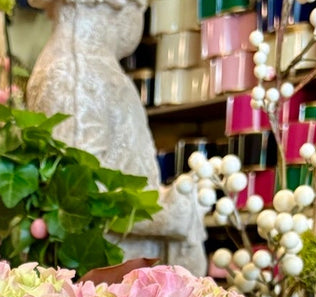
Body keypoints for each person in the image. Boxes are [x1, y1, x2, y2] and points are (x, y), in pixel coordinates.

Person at [26, 0, 207, 274]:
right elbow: (82, 198)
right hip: (110, 285)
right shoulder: (72, 71)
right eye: (142, 8)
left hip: (127, 277)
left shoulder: (89, 65)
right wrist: (169, 216)